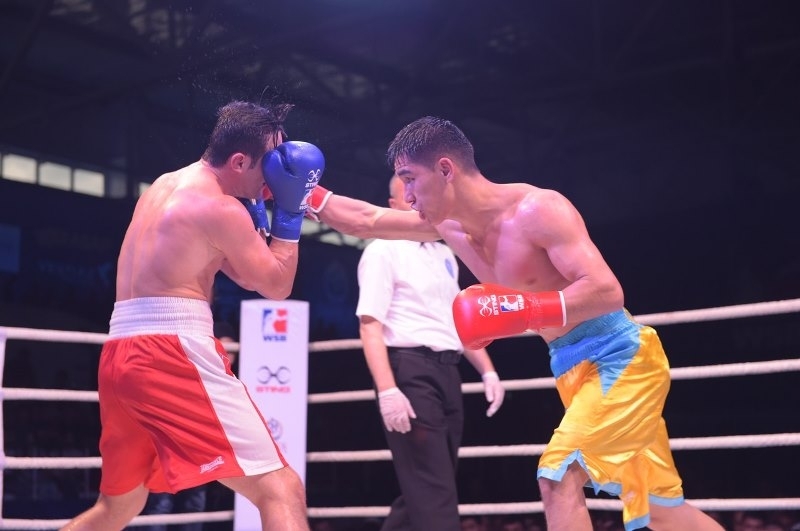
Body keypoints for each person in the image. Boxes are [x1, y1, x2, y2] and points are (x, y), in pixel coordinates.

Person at [301, 116, 724, 531]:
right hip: (570, 366)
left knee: (558, 476)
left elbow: (607, 291)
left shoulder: (539, 209)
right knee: (661, 510)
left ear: (446, 169)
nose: (408, 196)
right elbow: (366, 220)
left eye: (411, 179)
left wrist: (524, 310)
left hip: (620, 357)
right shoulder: (448, 227)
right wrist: (301, 190)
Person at [60, 100, 325, 531]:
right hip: (170, 351)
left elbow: (242, 271)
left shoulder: (165, 185)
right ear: (239, 161)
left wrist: (257, 215)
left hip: (120, 352)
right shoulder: (220, 209)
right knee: (280, 488)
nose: (275, 176)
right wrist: (290, 217)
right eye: (270, 164)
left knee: (119, 507)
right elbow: (276, 285)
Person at [356, 175, 505, 531]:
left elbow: (455, 319)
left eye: (419, 194)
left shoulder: (444, 252)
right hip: (409, 372)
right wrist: (388, 390)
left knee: (429, 484)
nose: (415, 201)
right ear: (392, 206)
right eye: (406, 197)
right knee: (433, 487)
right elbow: (369, 325)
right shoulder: (382, 250)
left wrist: (487, 370)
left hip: (448, 371)